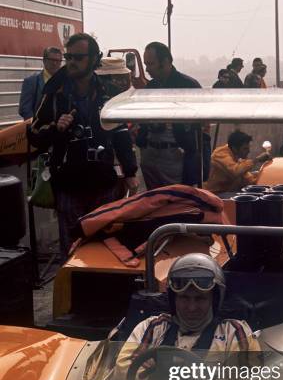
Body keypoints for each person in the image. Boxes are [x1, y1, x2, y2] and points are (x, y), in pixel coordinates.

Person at [28, 33, 138, 261]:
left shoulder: (107, 92)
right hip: (69, 185)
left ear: (94, 58)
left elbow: (120, 133)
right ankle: (71, 295)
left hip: (103, 183)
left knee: (105, 247)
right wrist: (56, 128)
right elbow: (35, 135)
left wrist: (130, 172)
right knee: (72, 251)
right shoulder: (54, 92)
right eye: (68, 56)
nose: (71, 62)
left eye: (78, 57)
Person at [116, 253, 260, 380]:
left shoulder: (234, 331)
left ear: (214, 300)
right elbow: (122, 371)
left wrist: (175, 379)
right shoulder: (153, 327)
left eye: (200, 298)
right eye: (184, 298)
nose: (191, 308)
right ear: (174, 299)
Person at [135, 41, 206, 189]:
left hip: (175, 156)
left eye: (151, 64)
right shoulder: (151, 87)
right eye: (145, 64)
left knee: (176, 200)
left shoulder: (189, 86)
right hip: (150, 154)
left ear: (166, 61)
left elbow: (203, 127)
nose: (147, 69)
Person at [204, 130, 271, 196]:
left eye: (248, 148)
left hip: (228, 191)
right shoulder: (220, 154)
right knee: (242, 199)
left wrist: (262, 176)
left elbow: (247, 178)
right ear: (234, 148)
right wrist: (257, 159)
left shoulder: (237, 157)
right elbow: (236, 171)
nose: (248, 151)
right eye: (245, 148)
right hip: (215, 194)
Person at [19, 46, 62, 119]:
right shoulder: (31, 81)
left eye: (58, 60)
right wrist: (35, 125)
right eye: (51, 60)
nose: (55, 63)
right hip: (38, 128)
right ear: (44, 61)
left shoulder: (65, 82)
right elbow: (24, 109)